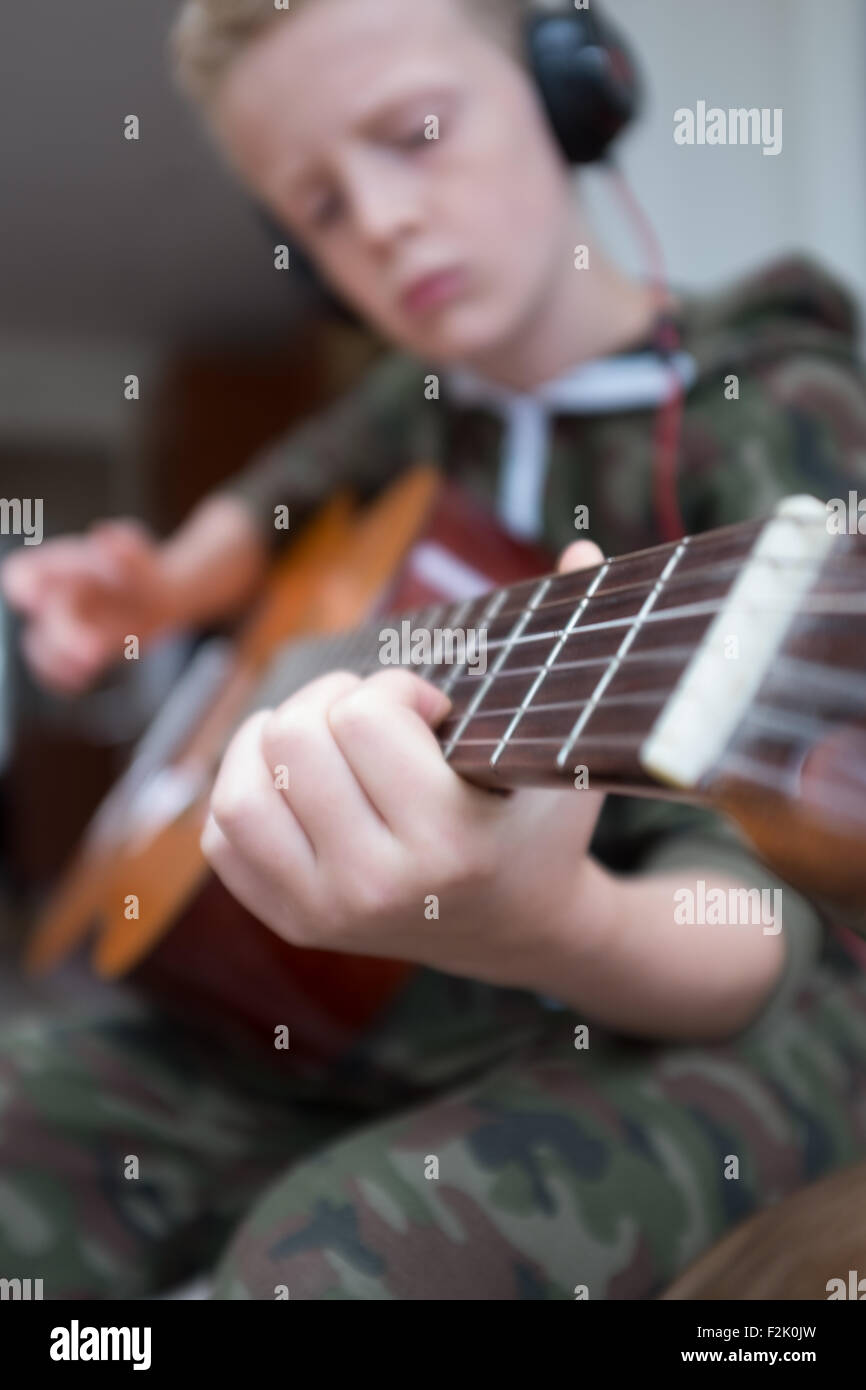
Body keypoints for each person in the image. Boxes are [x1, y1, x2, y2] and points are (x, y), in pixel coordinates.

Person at [0, 0, 865, 1300]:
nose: (380, 221)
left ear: (572, 89)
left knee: (348, 1250)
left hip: (709, 988)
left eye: (411, 132)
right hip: (362, 990)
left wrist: (545, 923)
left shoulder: (769, 399)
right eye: (321, 211)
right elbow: (287, 483)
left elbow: (769, 910)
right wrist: (167, 586)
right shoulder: (411, 404)